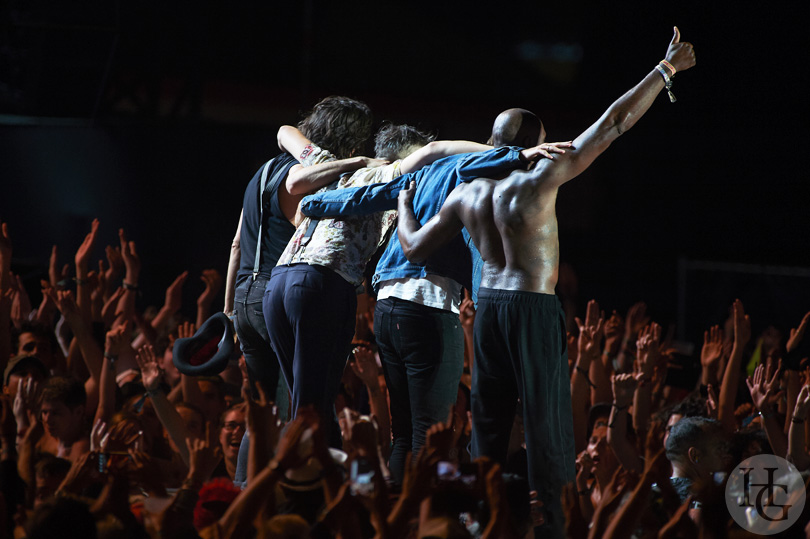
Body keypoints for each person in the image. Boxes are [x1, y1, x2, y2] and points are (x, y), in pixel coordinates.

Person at [395, 28, 696, 537]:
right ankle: (552, 527)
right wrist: (664, 71)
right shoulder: (540, 177)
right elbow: (614, 122)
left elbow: (413, 248)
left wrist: (404, 203)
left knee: (487, 425)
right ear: (537, 144)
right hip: (531, 307)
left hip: (488, 307)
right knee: (546, 427)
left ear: (492, 144)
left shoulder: (464, 194)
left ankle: (477, 520)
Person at [299, 110, 570, 483]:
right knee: (433, 436)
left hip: (388, 307)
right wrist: (522, 156)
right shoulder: (476, 170)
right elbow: (499, 159)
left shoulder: (419, 175)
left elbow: (363, 197)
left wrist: (312, 205)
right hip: (427, 307)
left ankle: (395, 519)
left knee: (403, 435)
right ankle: (429, 519)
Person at [264, 122, 512, 448]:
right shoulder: (394, 173)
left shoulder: (330, 166)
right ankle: (301, 491)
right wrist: (509, 154)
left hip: (281, 281)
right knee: (315, 411)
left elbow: (284, 134)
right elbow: (436, 152)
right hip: (325, 284)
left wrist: (353, 163)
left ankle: (316, 485)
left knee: (312, 405)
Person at [223, 96, 373, 485]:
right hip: (279, 294)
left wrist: (228, 310)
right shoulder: (307, 174)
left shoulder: (262, 172)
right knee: (299, 406)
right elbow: (308, 232)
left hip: (244, 295)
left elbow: (238, 245)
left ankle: (245, 494)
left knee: (260, 413)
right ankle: (303, 493)